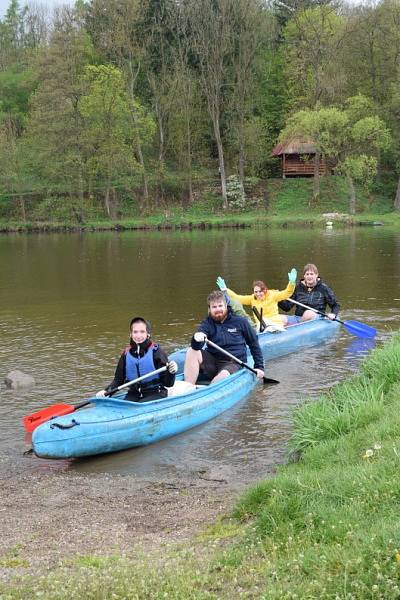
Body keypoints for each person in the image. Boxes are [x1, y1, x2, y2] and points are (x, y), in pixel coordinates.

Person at [184, 290, 265, 384]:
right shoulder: (207, 323)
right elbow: (196, 346)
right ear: (209, 308)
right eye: (214, 307)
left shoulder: (241, 322)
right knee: (191, 351)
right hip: (213, 361)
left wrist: (259, 367)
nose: (218, 309)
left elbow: (253, 343)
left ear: (226, 306)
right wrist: (197, 339)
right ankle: (189, 387)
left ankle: (210, 390)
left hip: (233, 362)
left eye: (220, 306)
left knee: (222, 376)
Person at [96, 316, 178, 401]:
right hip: (133, 393)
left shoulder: (157, 352)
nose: (138, 335)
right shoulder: (126, 354)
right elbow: (118, 380)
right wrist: (106, 391)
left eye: (142, 332)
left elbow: (168, 384)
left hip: (156, 393)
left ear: (148, 334)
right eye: (135, 332)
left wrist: (171, 372)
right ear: (131, 334)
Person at [215, 269, 297, 328]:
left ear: (265, 290)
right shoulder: (252, 299)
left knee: (283, 320)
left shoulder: (273, 295)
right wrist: (225, 289)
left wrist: (291, 283)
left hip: (275, 323)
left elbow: (287, 293)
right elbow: (237, 298)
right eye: (256, 292)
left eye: (260, 291)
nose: (258, 294)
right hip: (261, 325)